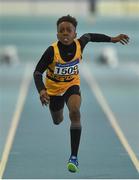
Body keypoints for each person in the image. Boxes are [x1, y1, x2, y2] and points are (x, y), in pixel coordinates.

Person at [33, 15, 129, 173]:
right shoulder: (51, 51)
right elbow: (37, 73)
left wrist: (113, 39)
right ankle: (58, 111)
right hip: (54, 90)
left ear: (75, 34)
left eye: (68, 30)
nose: (65, 33)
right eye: (61, 31)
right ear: (57, 34)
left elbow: (91, 36)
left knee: (75, 113)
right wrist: (42, 90)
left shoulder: (80, 44)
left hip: (72, 85)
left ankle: (74, 157)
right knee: (57, 120)